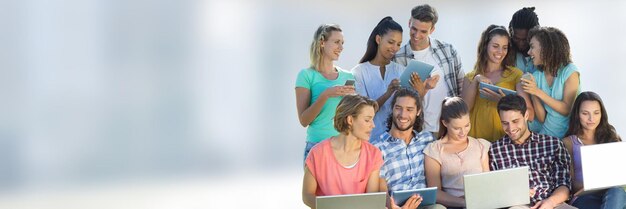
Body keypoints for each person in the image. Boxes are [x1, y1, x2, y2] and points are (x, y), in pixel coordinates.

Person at [353, 16, 433, 143]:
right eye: (391, 42)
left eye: (399, 44)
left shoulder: (401, 70)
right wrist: (388, 93)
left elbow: (412, 108)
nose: (395, 48)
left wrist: (422, 91)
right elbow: (362, 112)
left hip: (397, 142)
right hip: (370, 141)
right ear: (378, 39)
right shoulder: (359, 72)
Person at [490, 94, 575, 209]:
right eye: (505, 123)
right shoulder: (496, 150)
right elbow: (495, 192)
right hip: (517, 205)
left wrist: (550, 202)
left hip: (552, 202)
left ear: (526, 115)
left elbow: (564, 185)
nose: (510, 129)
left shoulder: (552, 144)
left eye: (515, 121)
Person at [392, 4, 464, 138]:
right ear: (409, 23)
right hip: (418, 129)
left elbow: (461, 85)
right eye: (414, 28)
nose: (417, 35)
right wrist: (421, 91)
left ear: (432, 29)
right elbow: (397, 98)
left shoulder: (448, 50)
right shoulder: (398, 58)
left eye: (423, 31)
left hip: (448, 126)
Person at [302, 95, 383, 209]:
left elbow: (370, 199)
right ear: (350, 120)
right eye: (367, 120)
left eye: (372, 119)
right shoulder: (317, 153)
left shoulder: (374, 154)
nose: (373, 125)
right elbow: (307, 196)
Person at [374, 88, 446, 209]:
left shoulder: (427, 140)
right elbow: (381, 192)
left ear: (418, 112)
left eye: (409, 109)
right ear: (392, 109)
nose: (403, 115)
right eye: (398, 108)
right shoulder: (378, 147)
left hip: (426, 205)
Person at [461, 24, 534, 142]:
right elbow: (463, 110)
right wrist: (476, 80)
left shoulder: (516, 75)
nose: (500, 51)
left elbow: (529, 114)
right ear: (485, 46)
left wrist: (502, 102)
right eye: (495, 46)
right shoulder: (470, 77)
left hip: (504, 142)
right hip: (475, 141)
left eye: (505, 47)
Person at [295, 24, 356, 160]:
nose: (341, 47)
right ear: (322, 42)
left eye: (342, 43)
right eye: (336, 42)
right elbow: (304, 120)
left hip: (343, 148)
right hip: (317, 147)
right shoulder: (306, 76)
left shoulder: (348, 77)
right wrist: (326, 95)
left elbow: (353, 117)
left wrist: (354, 101)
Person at [562, 91, 626, 209]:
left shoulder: (612, 138)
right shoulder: (569, 143)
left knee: (617, 192)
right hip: (585, 196)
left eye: (596, 113)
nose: (591, 118)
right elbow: (569, 182)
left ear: (602, 114)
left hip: (612, 192)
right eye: (585, 113)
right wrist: (590, 185)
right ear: (577, 114)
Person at [423, 97, 491, 208]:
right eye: (457, 128)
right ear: (445, 123)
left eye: (467, 125)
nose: (463, 132)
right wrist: (465, 203)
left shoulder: (480, 145)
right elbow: (435, 193)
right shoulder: (434, 150)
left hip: (482, 204)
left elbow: (487, 182)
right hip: (454, 205)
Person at [521, 26, 580, 138]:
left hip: (567, 138)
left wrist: (537, 91)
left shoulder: (569, 72)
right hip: (546, 137)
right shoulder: (537, 76)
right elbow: (542, 118)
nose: (529, 52)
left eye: (532, 47)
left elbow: (566, 109)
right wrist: (533, 93)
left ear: (545, 48)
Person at [509, 7, 540, 74]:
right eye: (516, 38)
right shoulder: (505, 53)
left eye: (525, 39)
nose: (521, 44)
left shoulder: (546, 56)